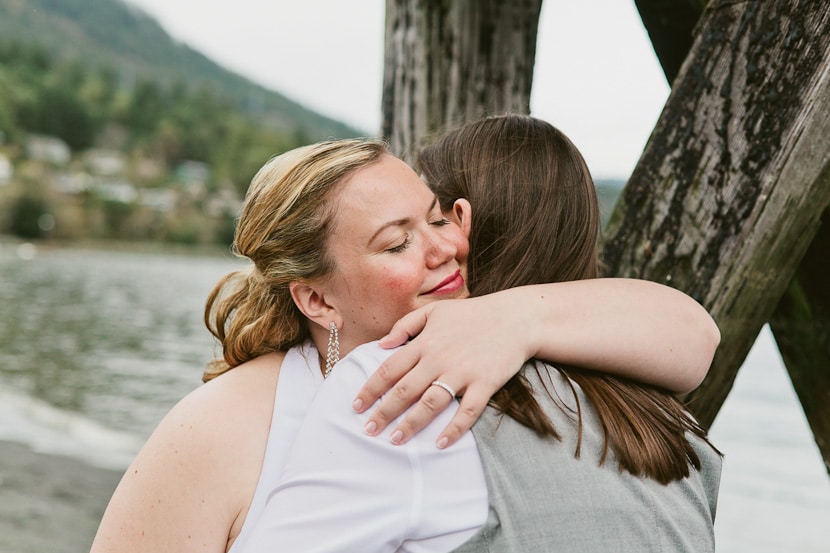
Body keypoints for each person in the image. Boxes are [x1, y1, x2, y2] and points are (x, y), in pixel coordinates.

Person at [90, 135, 718, 553]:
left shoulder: (494, 365)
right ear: (317, 300)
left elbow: (694, 335)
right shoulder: (226, 422)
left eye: (437, 218)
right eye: (397, 244)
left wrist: (515, 315)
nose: (444, 248)